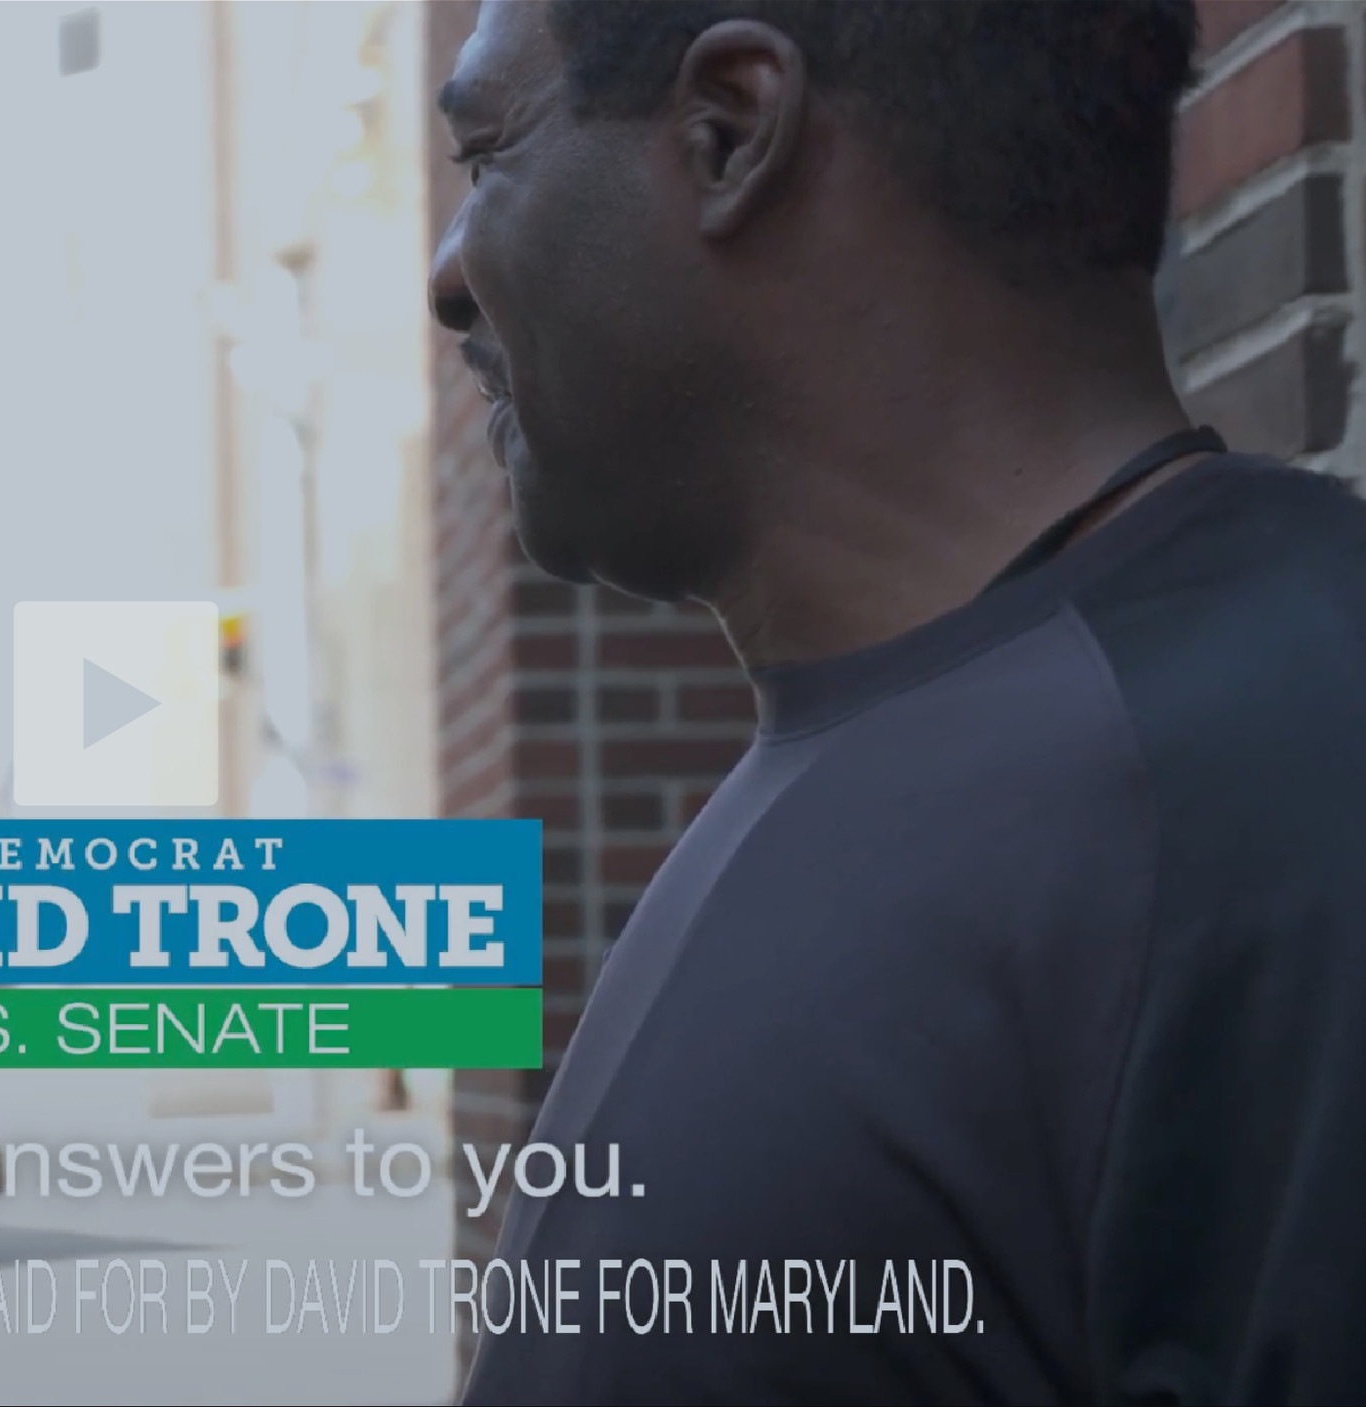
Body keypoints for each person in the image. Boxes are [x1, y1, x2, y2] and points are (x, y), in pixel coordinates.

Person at [431, 2, 1364, 1402]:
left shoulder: (1292, 771)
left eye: (488, 152)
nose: (449, 278)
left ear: (731, 128)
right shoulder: (854, 751)